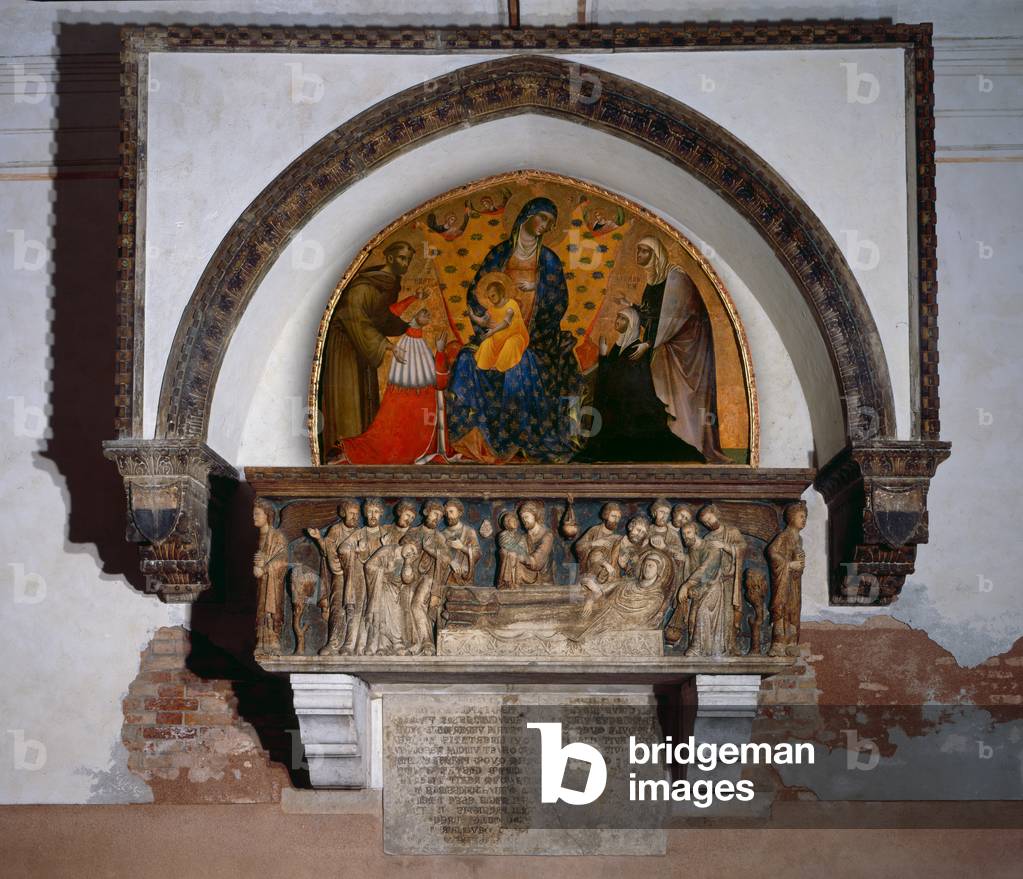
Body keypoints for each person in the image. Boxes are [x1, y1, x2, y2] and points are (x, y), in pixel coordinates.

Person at [446, 198, 581, 462]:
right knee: (465, 360)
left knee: (520, 364)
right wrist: (485, 320)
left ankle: (518, 440)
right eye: (542, 218)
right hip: (496, 332)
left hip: (535, 337)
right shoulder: (499, 254)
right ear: (526, 216)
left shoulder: (549, 260)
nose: (545, 226)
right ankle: (472, 439)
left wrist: (537, 290)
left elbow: (559, 300)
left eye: (551, 223)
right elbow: (478, 289)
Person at [627, 237, 731, 463]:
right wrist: (633, 309)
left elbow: (676, 316)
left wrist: (649, 343)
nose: (639, 256)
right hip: (666, 348)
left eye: (645, 251)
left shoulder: (677, 278)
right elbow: (654, 317)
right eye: (638, 251)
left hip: (687, 351)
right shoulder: (653, 280)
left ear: (657, 255)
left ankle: (693, 445)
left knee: (685, 399)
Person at [320, 241, 427, 455]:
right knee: (350, 398)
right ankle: (341, 448)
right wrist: (386, 346)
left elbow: (382, 319)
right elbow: (356, 318)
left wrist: (409, 325)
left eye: (408, 260)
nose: (405, 264)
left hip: (363, 347)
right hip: (347, 346)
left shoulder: (388, 284)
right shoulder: (364, 287)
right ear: (389, 258)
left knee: (365, 399)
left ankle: (360, 449)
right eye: (402, 258)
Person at [578, 307, 705, 462]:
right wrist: (604, 356)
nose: (617, 321)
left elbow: (619, 381)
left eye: (622, 318)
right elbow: (609, 379)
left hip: (633, 411)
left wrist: (604, 358)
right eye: (617, 317)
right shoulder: (619, 346)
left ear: (632, 323)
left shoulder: (636, 349)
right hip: (621, 406)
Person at [573, 549, 674, 641]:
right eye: (645, 565)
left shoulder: (656, 596)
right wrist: (590, 600)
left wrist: (610, 612)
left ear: (659, 570)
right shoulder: (628, 583)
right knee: (574, 607)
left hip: (610, 621)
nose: (646, 568)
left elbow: (637, 619)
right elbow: (601, 590)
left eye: (651, 566)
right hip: (599, 612)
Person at [677, 521, 730, 657]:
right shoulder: (692, 550)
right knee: (693, 618)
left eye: (688, 532)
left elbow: (706, 569)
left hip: (712, 588)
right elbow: (692, 565)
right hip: (698, 590)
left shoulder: (710, 547)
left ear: (696, 531)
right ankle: (697, 647)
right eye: (683, 534)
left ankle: (699, 649)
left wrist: (686, 584)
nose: (685, 536)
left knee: (702, 614)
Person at [767, 501, 807, 657]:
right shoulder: (784, 535)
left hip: (794, 582)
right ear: (791, 518)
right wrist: (789, 565)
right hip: (784, 579)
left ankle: (791, 642)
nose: (804, 520)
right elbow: (772, 552)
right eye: (801, 516)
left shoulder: (799, 539)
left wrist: (799, 565)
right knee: (782, 607)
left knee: (794, 608)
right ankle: (778, 643)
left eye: (805, 517)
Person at [471, 273, 530, 373]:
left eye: (493, 295)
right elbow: (483, 322)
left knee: (510, 344)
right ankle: (483, 366)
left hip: (515, 336)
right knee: (487, 343)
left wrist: (492, 331)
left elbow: (506, 323)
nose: (491, 299)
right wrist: (472, 316)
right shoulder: (492, 308)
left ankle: (500, 366)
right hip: (498, 338)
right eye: (489, 297)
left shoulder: (511, 304)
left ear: (501, 292)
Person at [253, 500, 288, 654]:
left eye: (257, 514)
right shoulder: (259, 536)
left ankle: (273, 641)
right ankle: (261, 642)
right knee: (260, 608)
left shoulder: (277, 536)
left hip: (272, 581)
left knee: (271, 608)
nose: (253, 517)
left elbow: (283, 558)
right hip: (261, 581)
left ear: (267, 515)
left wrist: (265, 567)